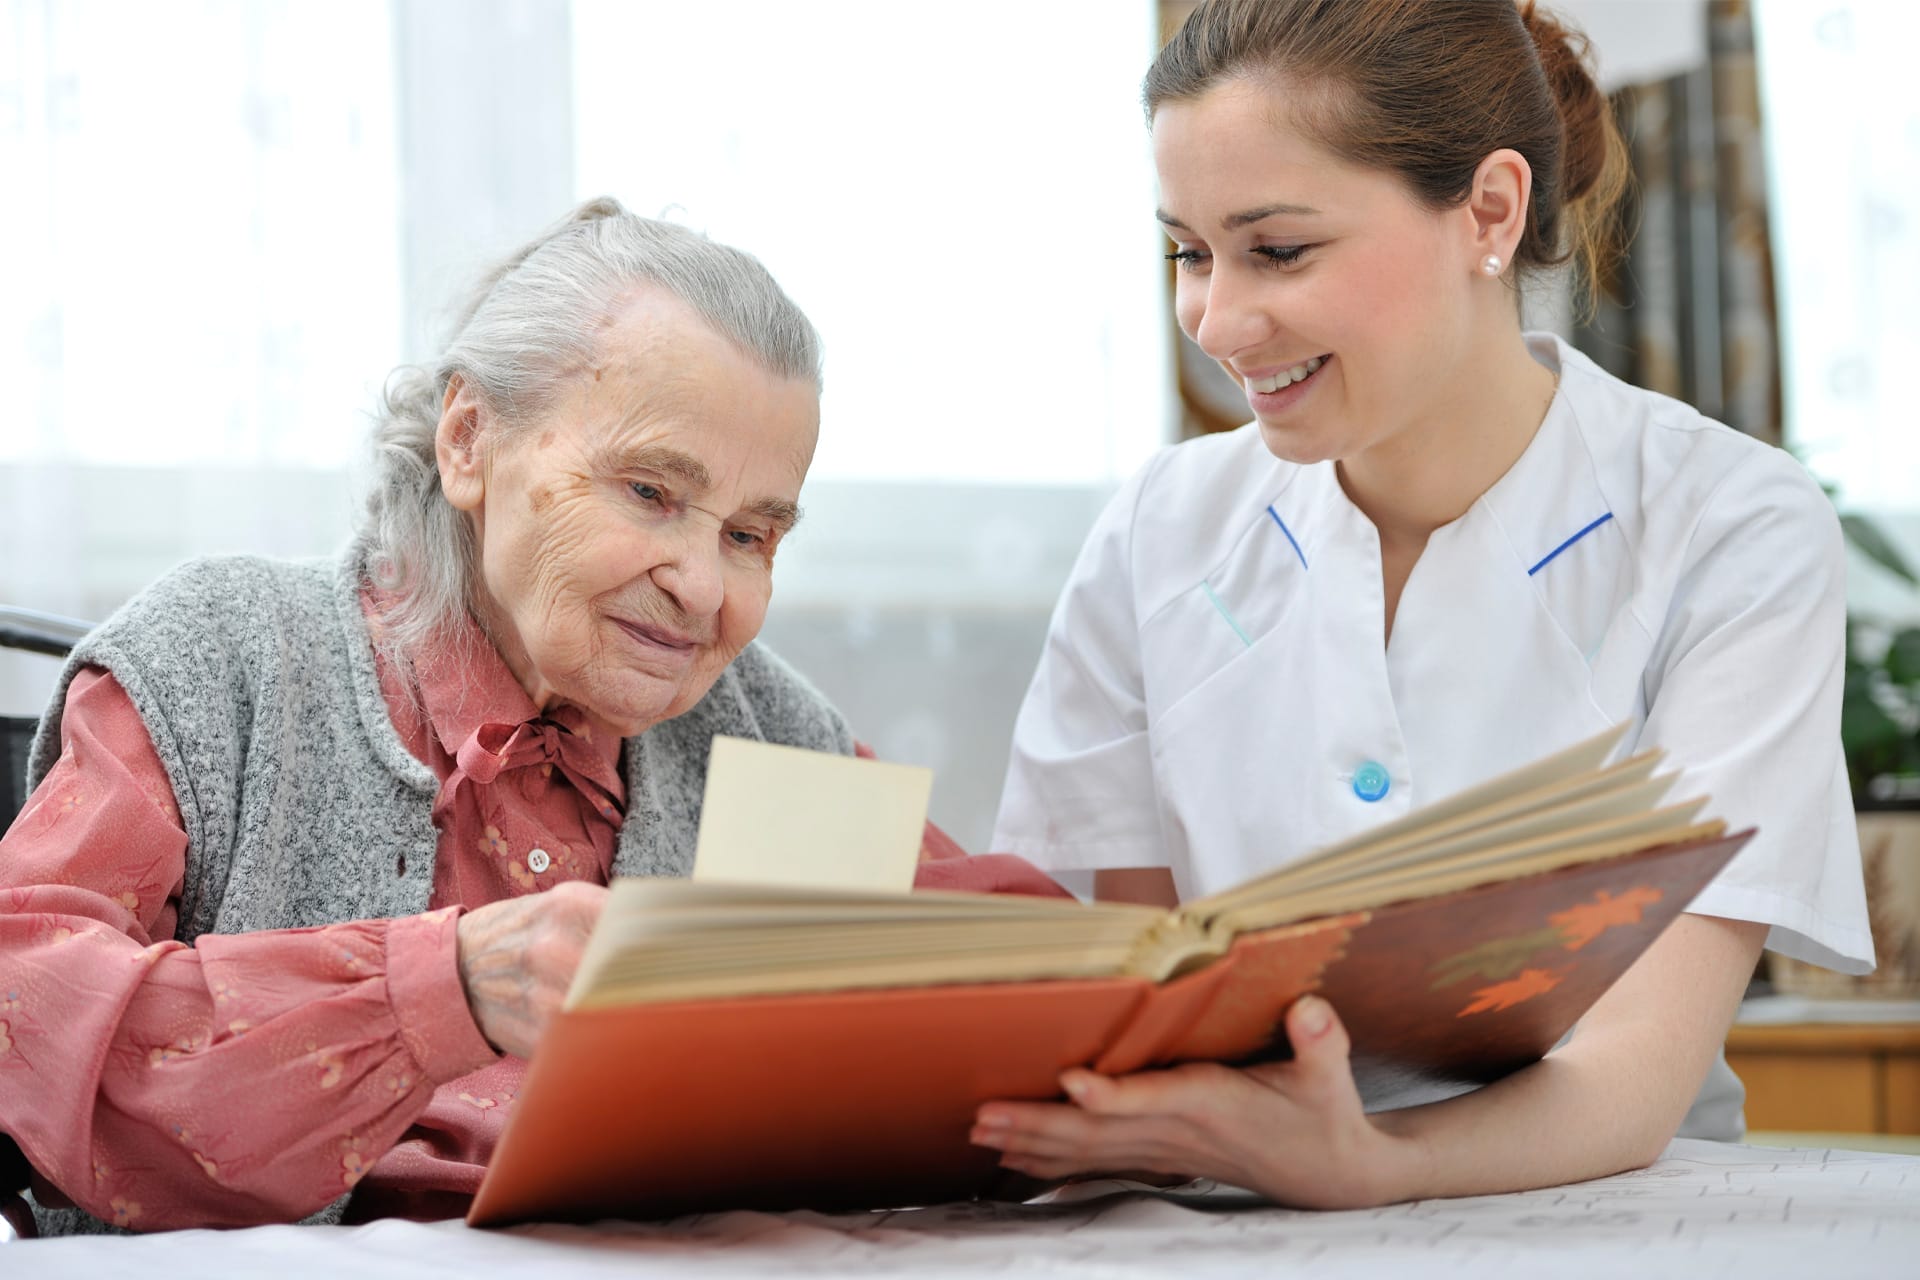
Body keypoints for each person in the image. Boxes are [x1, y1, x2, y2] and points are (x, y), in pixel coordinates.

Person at [978, 0, 1873, 1208]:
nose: (1217, 321)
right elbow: (1141, 1002)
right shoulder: (1159, 531)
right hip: (1222, 1204)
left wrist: (1367, 1163)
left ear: (1491, 212)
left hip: (1599, 1208)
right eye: (1189, 252)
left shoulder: (1733, 526)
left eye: (1278, 250)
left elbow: (1634, 1069)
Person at [0, 198, 989, 1235]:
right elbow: (29, 1011)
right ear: (469, 440)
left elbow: (1021, 975)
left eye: (749, 535)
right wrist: (448, 985)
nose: (701, 586)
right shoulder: (221, 659)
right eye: (651, 491)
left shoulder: (770, 733)